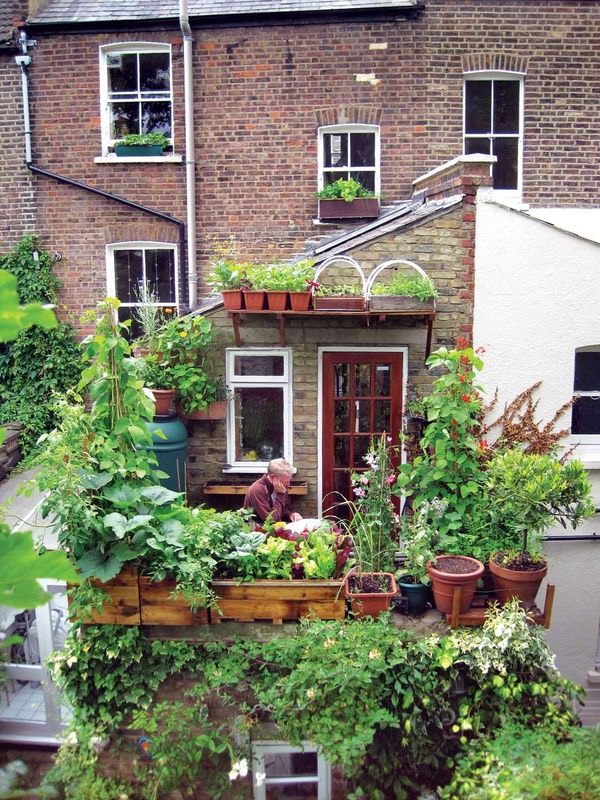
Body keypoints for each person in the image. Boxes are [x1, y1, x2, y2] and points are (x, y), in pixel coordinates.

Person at [243, 458, 303, 525]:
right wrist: (280, 495)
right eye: (285, 482)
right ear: (272, 477)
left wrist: (290, 515)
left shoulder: (280, 486)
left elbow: (282, 510)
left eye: (289, 480)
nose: (288, 484)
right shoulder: (257, 489)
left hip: (275, 528)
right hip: (257, 531)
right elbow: (270, 520)